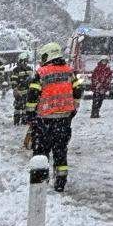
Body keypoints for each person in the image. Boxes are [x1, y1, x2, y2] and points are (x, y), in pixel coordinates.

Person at [30, 43, 77, 192]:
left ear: (49, 55)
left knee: (41, 153)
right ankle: (60, 184)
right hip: (63, 121)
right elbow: (78, 91)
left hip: (44, 120)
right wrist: (72, 110)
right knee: (60, 152)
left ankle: (40, 183)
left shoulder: (41, 72)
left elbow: (32, 96)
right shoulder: (70, 72)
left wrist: (30, 115)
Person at [9, 52, 37, 126]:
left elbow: (32, 79)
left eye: (27, 60)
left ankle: (24, 120)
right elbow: (13, 81)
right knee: (18, 107)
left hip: (27, 91)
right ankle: (16, 121)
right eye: (25, 60)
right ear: (21, 60)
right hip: (19, 92)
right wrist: (16, 90)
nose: (26, 62)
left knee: (26, 107)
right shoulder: (16, 70)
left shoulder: (29, 68)